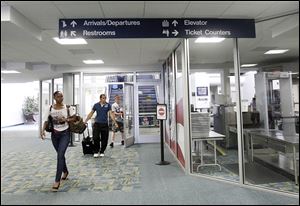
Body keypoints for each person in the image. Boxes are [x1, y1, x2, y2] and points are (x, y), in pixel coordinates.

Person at [40, 91, 76, 192]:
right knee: (60, 155)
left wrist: (66, 120)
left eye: (62, 96)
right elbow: (46, 120)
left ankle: (57, 181)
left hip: (65, 134)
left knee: (60, 155)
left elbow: (74, 118)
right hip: (54, 135)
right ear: (54, 97)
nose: (61, 98)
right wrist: (42, 131)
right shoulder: (50, 108)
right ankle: (65, 171)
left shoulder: (68, 107)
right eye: (58, 96)